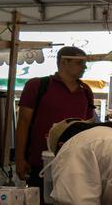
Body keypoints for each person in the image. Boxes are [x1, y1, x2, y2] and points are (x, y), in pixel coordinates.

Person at [15, 46, 95, 186]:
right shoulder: (37, 85)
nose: (84, 67)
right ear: (64, 62)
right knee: (41, 203)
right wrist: (19, 158)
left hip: (76, 164)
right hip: (42, 162)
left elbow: (89, 127)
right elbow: (23, 123)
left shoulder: (86, 91)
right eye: (79, 63)